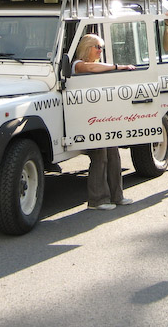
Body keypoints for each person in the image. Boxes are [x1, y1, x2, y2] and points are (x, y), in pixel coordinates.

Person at [72, 33, 136, 210]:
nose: (100, 51)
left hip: (102, 116)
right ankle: (97, 200)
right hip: (88, 118)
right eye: (97, 47)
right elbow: (90, 69)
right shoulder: (77, 65)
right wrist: (117, 66)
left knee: (113, 155)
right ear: (87, 48)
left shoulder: (96, 64)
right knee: (99, 156)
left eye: (102, 47)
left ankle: (117, 196)